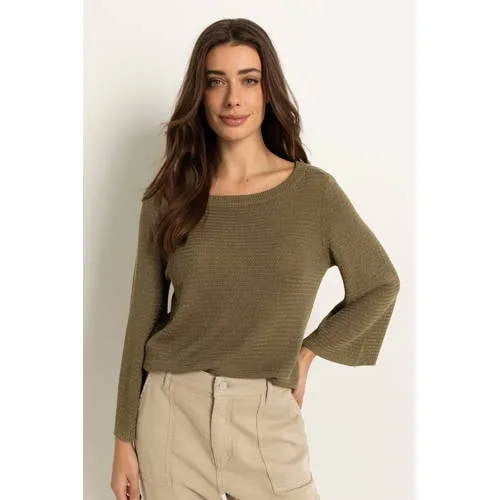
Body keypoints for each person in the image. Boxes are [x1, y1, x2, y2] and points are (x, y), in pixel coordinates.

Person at [110, 17, 400, 500]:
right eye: (215, 82)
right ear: (199, 95)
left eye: (248, 80)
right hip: (172, 417)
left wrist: (308, 354)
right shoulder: (169, 197)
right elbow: (142, 318)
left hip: (267, 419)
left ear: (268, 91)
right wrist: (123, 438)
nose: (233, 99)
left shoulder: (314, 195)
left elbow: (379, 284)